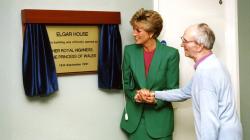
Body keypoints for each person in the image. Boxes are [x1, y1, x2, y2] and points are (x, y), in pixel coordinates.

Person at [137, 23, 243, 140]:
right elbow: (183, 93)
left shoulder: (206, 73)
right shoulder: (211, 64)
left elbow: (209, 122)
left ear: (199, 46)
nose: (182, 44)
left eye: (185, 41)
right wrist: (154, 94)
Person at [120, 8, 180, 140]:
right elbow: (126, 84)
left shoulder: (171, 54)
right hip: (135, 122)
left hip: (160, 123)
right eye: (133, 29)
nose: (134, 33)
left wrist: (155, 99)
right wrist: (136, 95)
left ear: (151, 32)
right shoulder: (129, 51)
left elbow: (173, 90)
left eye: (138, 30)